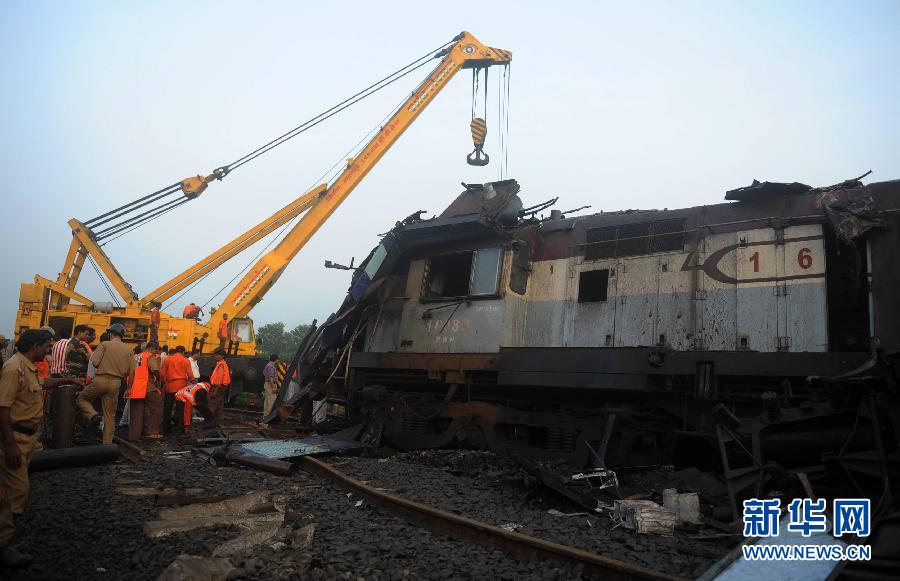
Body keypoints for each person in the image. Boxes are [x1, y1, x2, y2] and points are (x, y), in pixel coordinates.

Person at [0, 330, 84, 567]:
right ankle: (3, 544)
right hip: (15, 439)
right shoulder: (14, 369)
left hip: (26, 439)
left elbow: (42, 384)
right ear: (35, 346)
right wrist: (10, 444)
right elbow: (3, 408)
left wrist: (68, 380)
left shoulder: (27, 367)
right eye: (46, 347)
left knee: (14, 491)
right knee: (16, 492)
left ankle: (7, 540)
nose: (48, 351)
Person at [76, 323, 133, 444]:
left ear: (110, 334)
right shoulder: (129, 350)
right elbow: (132, 372)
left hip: (101, 379)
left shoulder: (105, 344)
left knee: (82, 399)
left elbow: (95, 362)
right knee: (110, 416)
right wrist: (129, 388)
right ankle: (107, 444)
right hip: (116, 383)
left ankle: (93, 415)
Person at [125, 342, 159, 443]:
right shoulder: (150, 356)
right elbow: (155, 369)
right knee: (157, 407)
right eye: (155, 351)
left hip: (135, 388)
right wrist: (159, 377)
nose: (155, 353)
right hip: (147, 387)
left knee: (136, 414)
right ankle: (152, 433)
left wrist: (129, 388)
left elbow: (131, 372)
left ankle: (133, 437)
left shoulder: (136, 357)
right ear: (152, 349)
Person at [159, 346, 193, 435]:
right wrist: (193, 382)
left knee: (168, 408)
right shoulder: (186, 360)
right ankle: (179, 427)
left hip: (169, 386)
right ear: (183, 352)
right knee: (180, 408)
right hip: (181, 387)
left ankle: (166, 428)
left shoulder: (168, 359)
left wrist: (163, 382)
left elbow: (162, 374)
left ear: (175, 351)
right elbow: (190, 374)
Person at [208, 349, 231, 425]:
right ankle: (219, 420)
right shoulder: (222, 363)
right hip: (222, 387)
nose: (215, 356)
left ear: (222, 356)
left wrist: (216, 388)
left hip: (218, 387)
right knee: (219, 404)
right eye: (215, 355)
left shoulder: (221, 364)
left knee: (212, 403)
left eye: (217, 355)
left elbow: (219, 377)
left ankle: (210, 420)